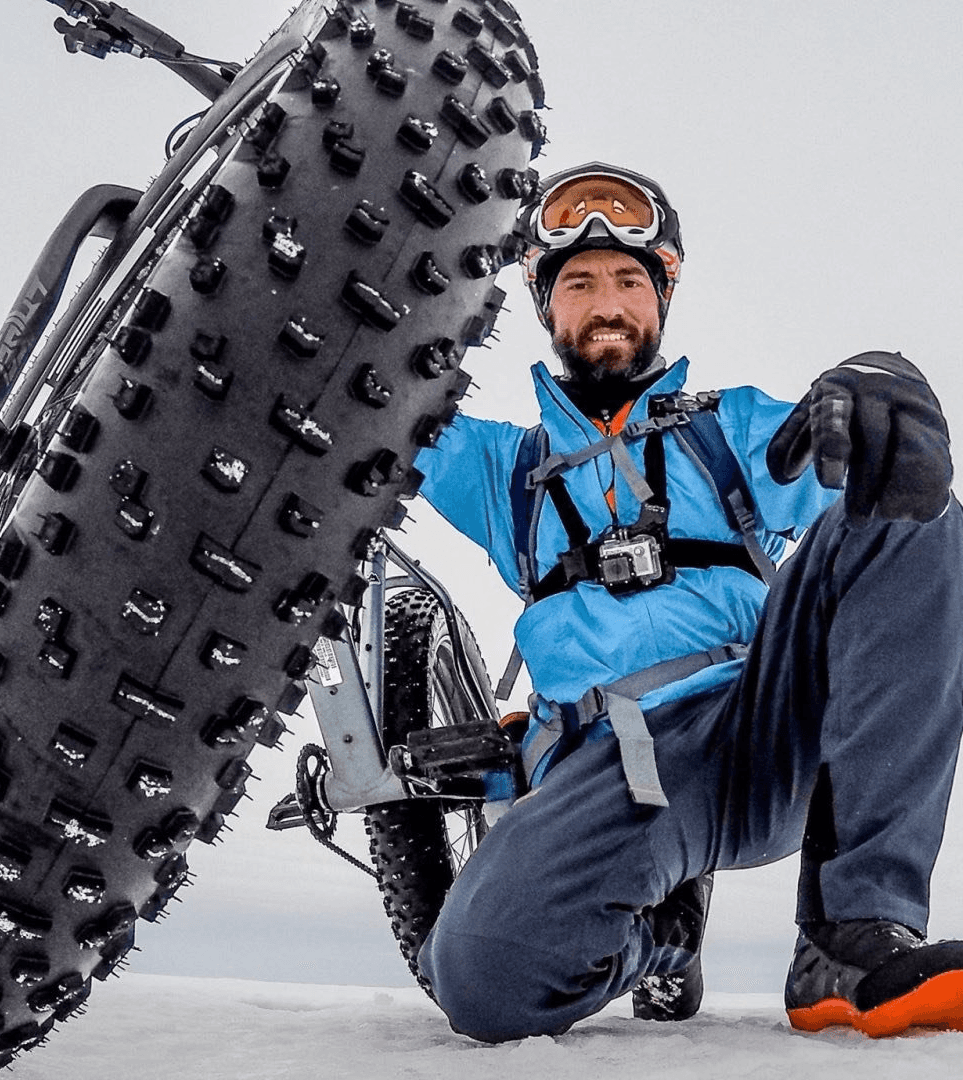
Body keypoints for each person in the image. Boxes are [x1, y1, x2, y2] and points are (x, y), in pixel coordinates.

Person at [412, 162, 963, 1041]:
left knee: (911, 506)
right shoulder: (501, 467)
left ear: (662, 296)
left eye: (629, 281)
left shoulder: (729, 430)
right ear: (546, 306)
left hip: (763, 727)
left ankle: (852, 935)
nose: (607, 303)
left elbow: (860, 461)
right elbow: (370, 415)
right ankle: (661, 940)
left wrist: (878, 383)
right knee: (480, 979)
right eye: (579, 283)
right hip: (609, 764)